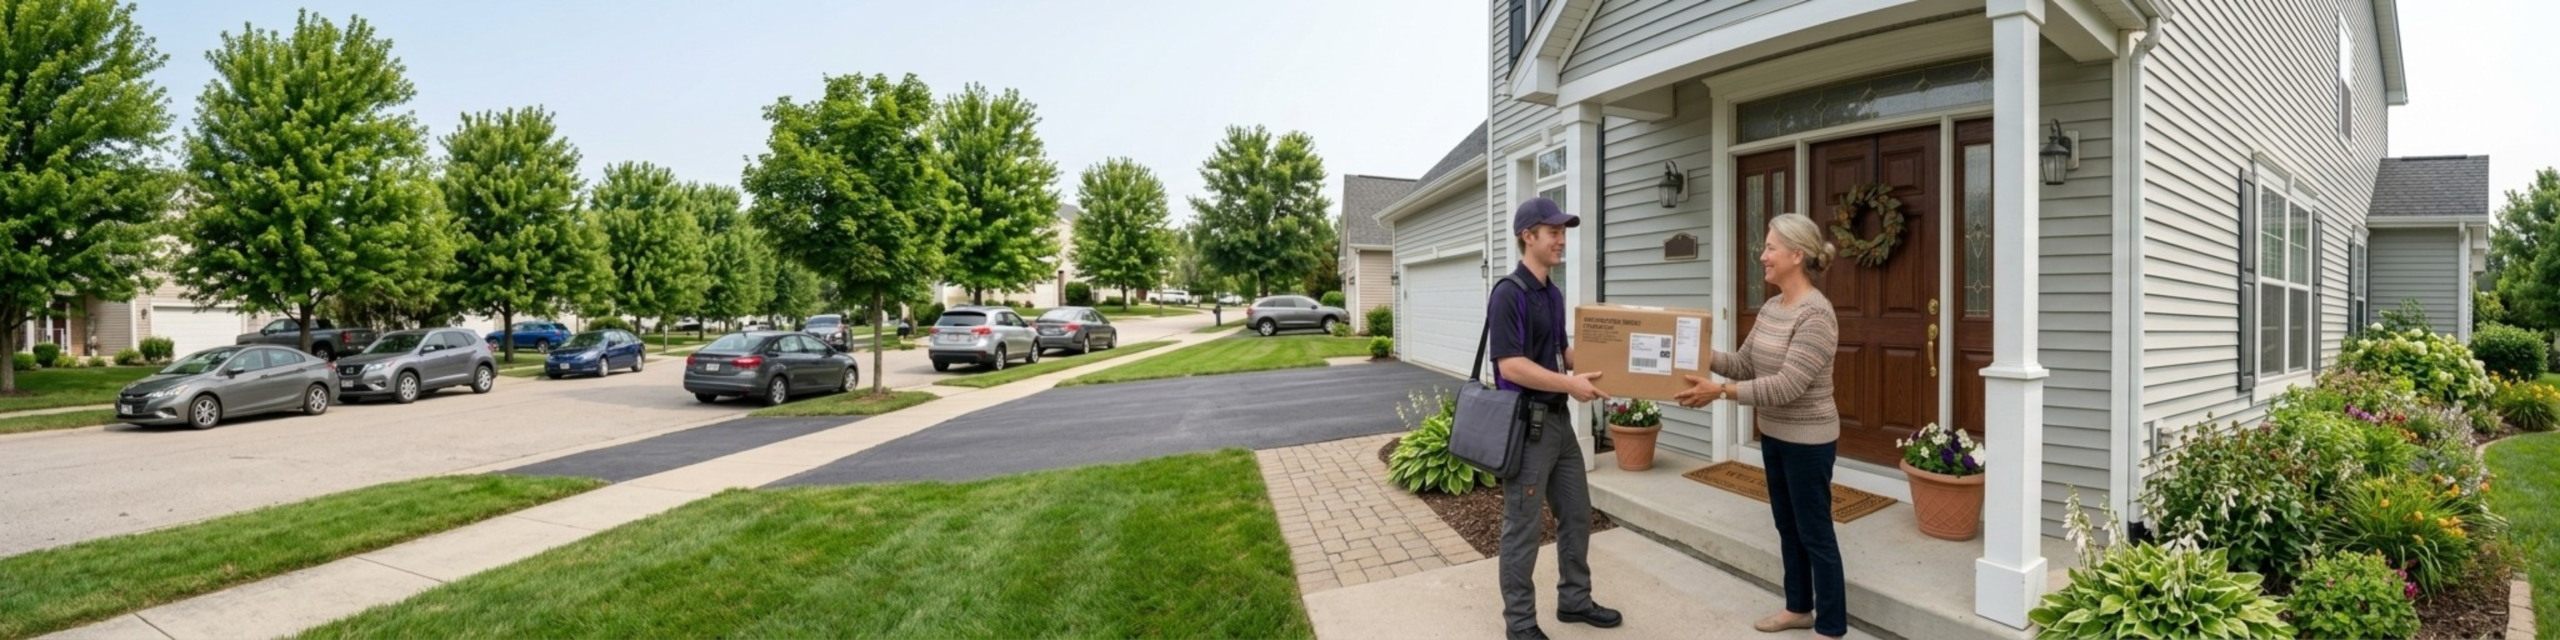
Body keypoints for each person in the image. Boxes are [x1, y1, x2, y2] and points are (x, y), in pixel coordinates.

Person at [1675, 212, 1845, 639]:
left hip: (1809, 441)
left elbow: (1787, 385)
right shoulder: (1772, 308)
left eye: (1770, 248)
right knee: (1787, 526)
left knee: (1815, 533)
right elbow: (1744, 364)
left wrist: (1720, 393)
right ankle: (1798, 608)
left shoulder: (1816, 316)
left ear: (1797, 255)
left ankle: (1831, 627)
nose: (1762, 255)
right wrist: (1698, 352)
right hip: (1775, 435)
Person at [1488, 196, 1620, 640]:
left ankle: (1574, 600)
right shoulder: (1508, 294)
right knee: (1523, 530)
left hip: (1560, 425)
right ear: (1528, 236)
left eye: (1563, 232)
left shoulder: (1552, 293)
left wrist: (1611, 365)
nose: (1562, 240)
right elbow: (1510, 366)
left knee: (1578, 515)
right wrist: (1568, 384)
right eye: (1554, 233)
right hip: (1528, 428)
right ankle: (1521, 624)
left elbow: (1562, 352)